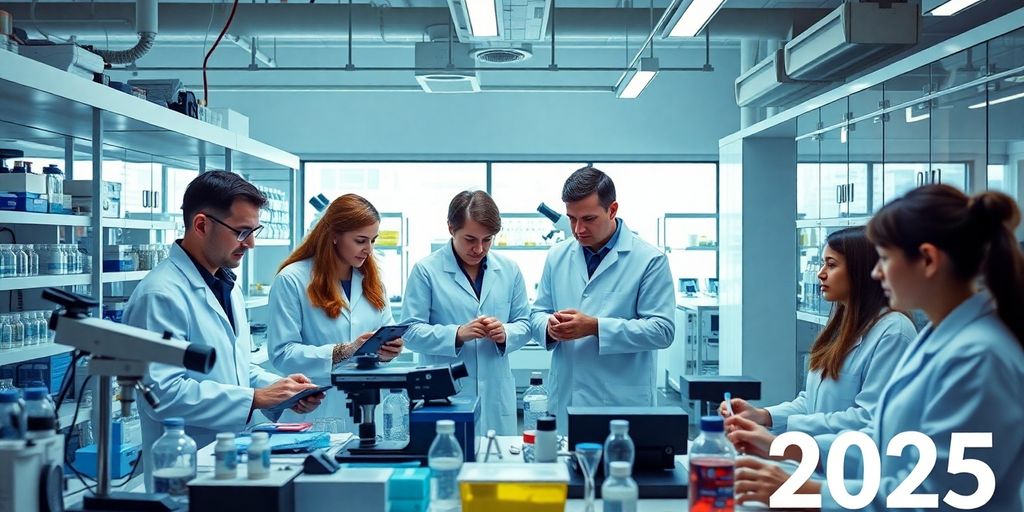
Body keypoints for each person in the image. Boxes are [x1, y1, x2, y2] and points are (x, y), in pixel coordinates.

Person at [732, 185, 1024, 510]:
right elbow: (884, 448)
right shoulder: (940, 339)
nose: (876, 272)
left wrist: (808, 492)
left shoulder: (979, 357)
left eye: (884, 258)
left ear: (927, 260)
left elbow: (939, 495)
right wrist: (787, 448)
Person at [123, 172, 323, 488]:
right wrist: (255, 398)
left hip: (227, 462)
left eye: (254, 230)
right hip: (183, 471)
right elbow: (161, 394)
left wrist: (280, 390)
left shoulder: (226, 284)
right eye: (242, 232)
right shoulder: (160, 295)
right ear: (201, 225)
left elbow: (233, 368)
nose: (252, 243)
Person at [720, 226, 915, 438]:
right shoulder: (841, 327)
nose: (821, 274)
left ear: (862, 270)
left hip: (854, 464)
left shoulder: (894, 333)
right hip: (819, 460)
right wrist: (762, 415)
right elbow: (810, 401)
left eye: (831, 265)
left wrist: (786, 435)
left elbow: (869, 418)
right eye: (823, 264)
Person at [529, 166, 675, 432]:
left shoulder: (649, 260)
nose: (578, 229)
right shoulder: (557, 256)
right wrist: (548, 327)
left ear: (613, 209)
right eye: (571, 218)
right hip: (567, 396)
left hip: (622, 402)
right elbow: (537, 313)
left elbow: (662, 331)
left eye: (588, 218)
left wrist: (595, 327)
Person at [268, 193, 404, 427]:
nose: (369, 250)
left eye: (373, 240)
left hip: (368, 409)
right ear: (333, 236)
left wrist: (390, 349)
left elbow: (385, 330)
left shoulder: (372, 281)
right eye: (361, 241)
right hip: (317, 409)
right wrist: (343, 351)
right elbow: (282, 354)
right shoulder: (292, 279)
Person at [401, 191, 531, 435]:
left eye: (488, 240)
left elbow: (524, 324)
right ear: (451, 228)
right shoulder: (426, 271)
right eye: (470, 239)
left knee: (496, 467)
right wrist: (458, 334)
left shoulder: (509, 270)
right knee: (447, 462)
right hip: (445, 393)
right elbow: (410, 332)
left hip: (495, 392)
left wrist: (505, 332)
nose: (479, 248)